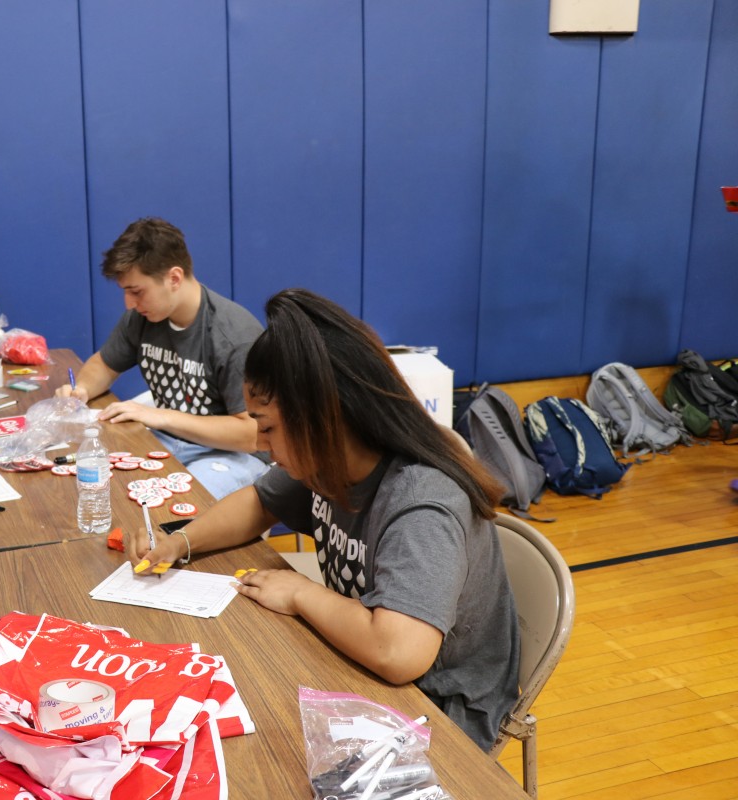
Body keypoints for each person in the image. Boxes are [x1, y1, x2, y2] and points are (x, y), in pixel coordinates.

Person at [131, 288, 521, 751]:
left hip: (439, 716)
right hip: (361, 674)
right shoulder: (332, 461)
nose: (261, 443)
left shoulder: (421, 499)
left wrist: (300, 592)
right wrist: (180, 543)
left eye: (269, 427)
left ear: (324, 416)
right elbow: (259, 502)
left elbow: (398, 653)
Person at [56, 217, 268, 498]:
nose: (129, 304)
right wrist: (81, 390)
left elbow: (253, 434)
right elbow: (103, 365)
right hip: (167, 440)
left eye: (137, 291)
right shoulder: (143, 316)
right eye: (126, 292)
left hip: (231, 454)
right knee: (92, 481)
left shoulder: (234, 336)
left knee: (176, 504)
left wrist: (162, 417)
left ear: (174, 278)